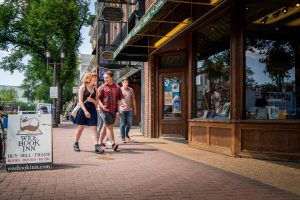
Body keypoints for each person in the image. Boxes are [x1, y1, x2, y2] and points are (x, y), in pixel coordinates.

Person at [72, 72, 104, 154]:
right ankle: (76, 143)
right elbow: (80, 101)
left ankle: (97, 146)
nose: (96, 79)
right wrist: (85, 111)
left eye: (96, 78)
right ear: (89, 78)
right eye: (94, 78)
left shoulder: (95, 89)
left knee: (94, 128)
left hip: (92, 110)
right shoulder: (83, 87)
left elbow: (97, 103)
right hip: (83, 109)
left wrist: (93, 100)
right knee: (81, 128)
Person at [98, 71, 128, 151]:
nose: (105, 79)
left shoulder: (117, 87)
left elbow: (121, 97)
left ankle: (99, 142)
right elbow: (97, 99)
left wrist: (124, 104)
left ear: (111, 77)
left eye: (107, 77)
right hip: (104, 110)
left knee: (106, 126)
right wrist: (102, 106)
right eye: (104, 78)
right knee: (109, 126)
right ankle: (113, 143)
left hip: (113, 110)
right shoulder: (102, 87)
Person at [119, 78, 136, 143]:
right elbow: (117, 100)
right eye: (125, 82)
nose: (127, 83)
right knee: (122, 124)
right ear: (122, 83)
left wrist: (135, 109)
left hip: (130, 109)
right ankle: (123, 137)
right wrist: (117, 110)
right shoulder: (120, 90)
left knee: (129, 123)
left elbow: (133, 100)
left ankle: (126, 134)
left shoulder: (131, 90)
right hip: (122, 109)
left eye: (127, 82)